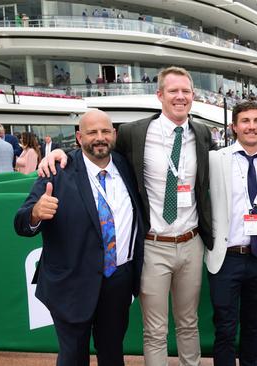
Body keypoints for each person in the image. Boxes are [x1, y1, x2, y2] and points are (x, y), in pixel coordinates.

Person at [39, 66, 216, 366]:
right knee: (155, 329)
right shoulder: (136, 132)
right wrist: (60, 153)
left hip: (191, 241)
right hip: (153, 245)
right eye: (173, 91)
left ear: (193, 96)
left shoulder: (202, 132)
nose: (180, 96)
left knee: (189, 323)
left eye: (186, 91)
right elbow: (96, 148)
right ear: (159, 95)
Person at [14, 110, 145, 366]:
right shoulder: (58, 169)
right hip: (71, 283)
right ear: (78, 137)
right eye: (92, 132)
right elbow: (20, 222)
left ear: (114, 134)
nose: (99, 138)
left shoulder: (126, 166)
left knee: (112, 353)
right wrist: (35, 214)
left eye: (105, 131)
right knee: (73, 357)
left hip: (117, 281)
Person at [205, 100, 257, 365]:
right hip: (226, 257)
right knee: (226, 329)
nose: (251, 127)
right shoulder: (216, 160)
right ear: (234, 127)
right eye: (245, 121)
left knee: (253, 325)